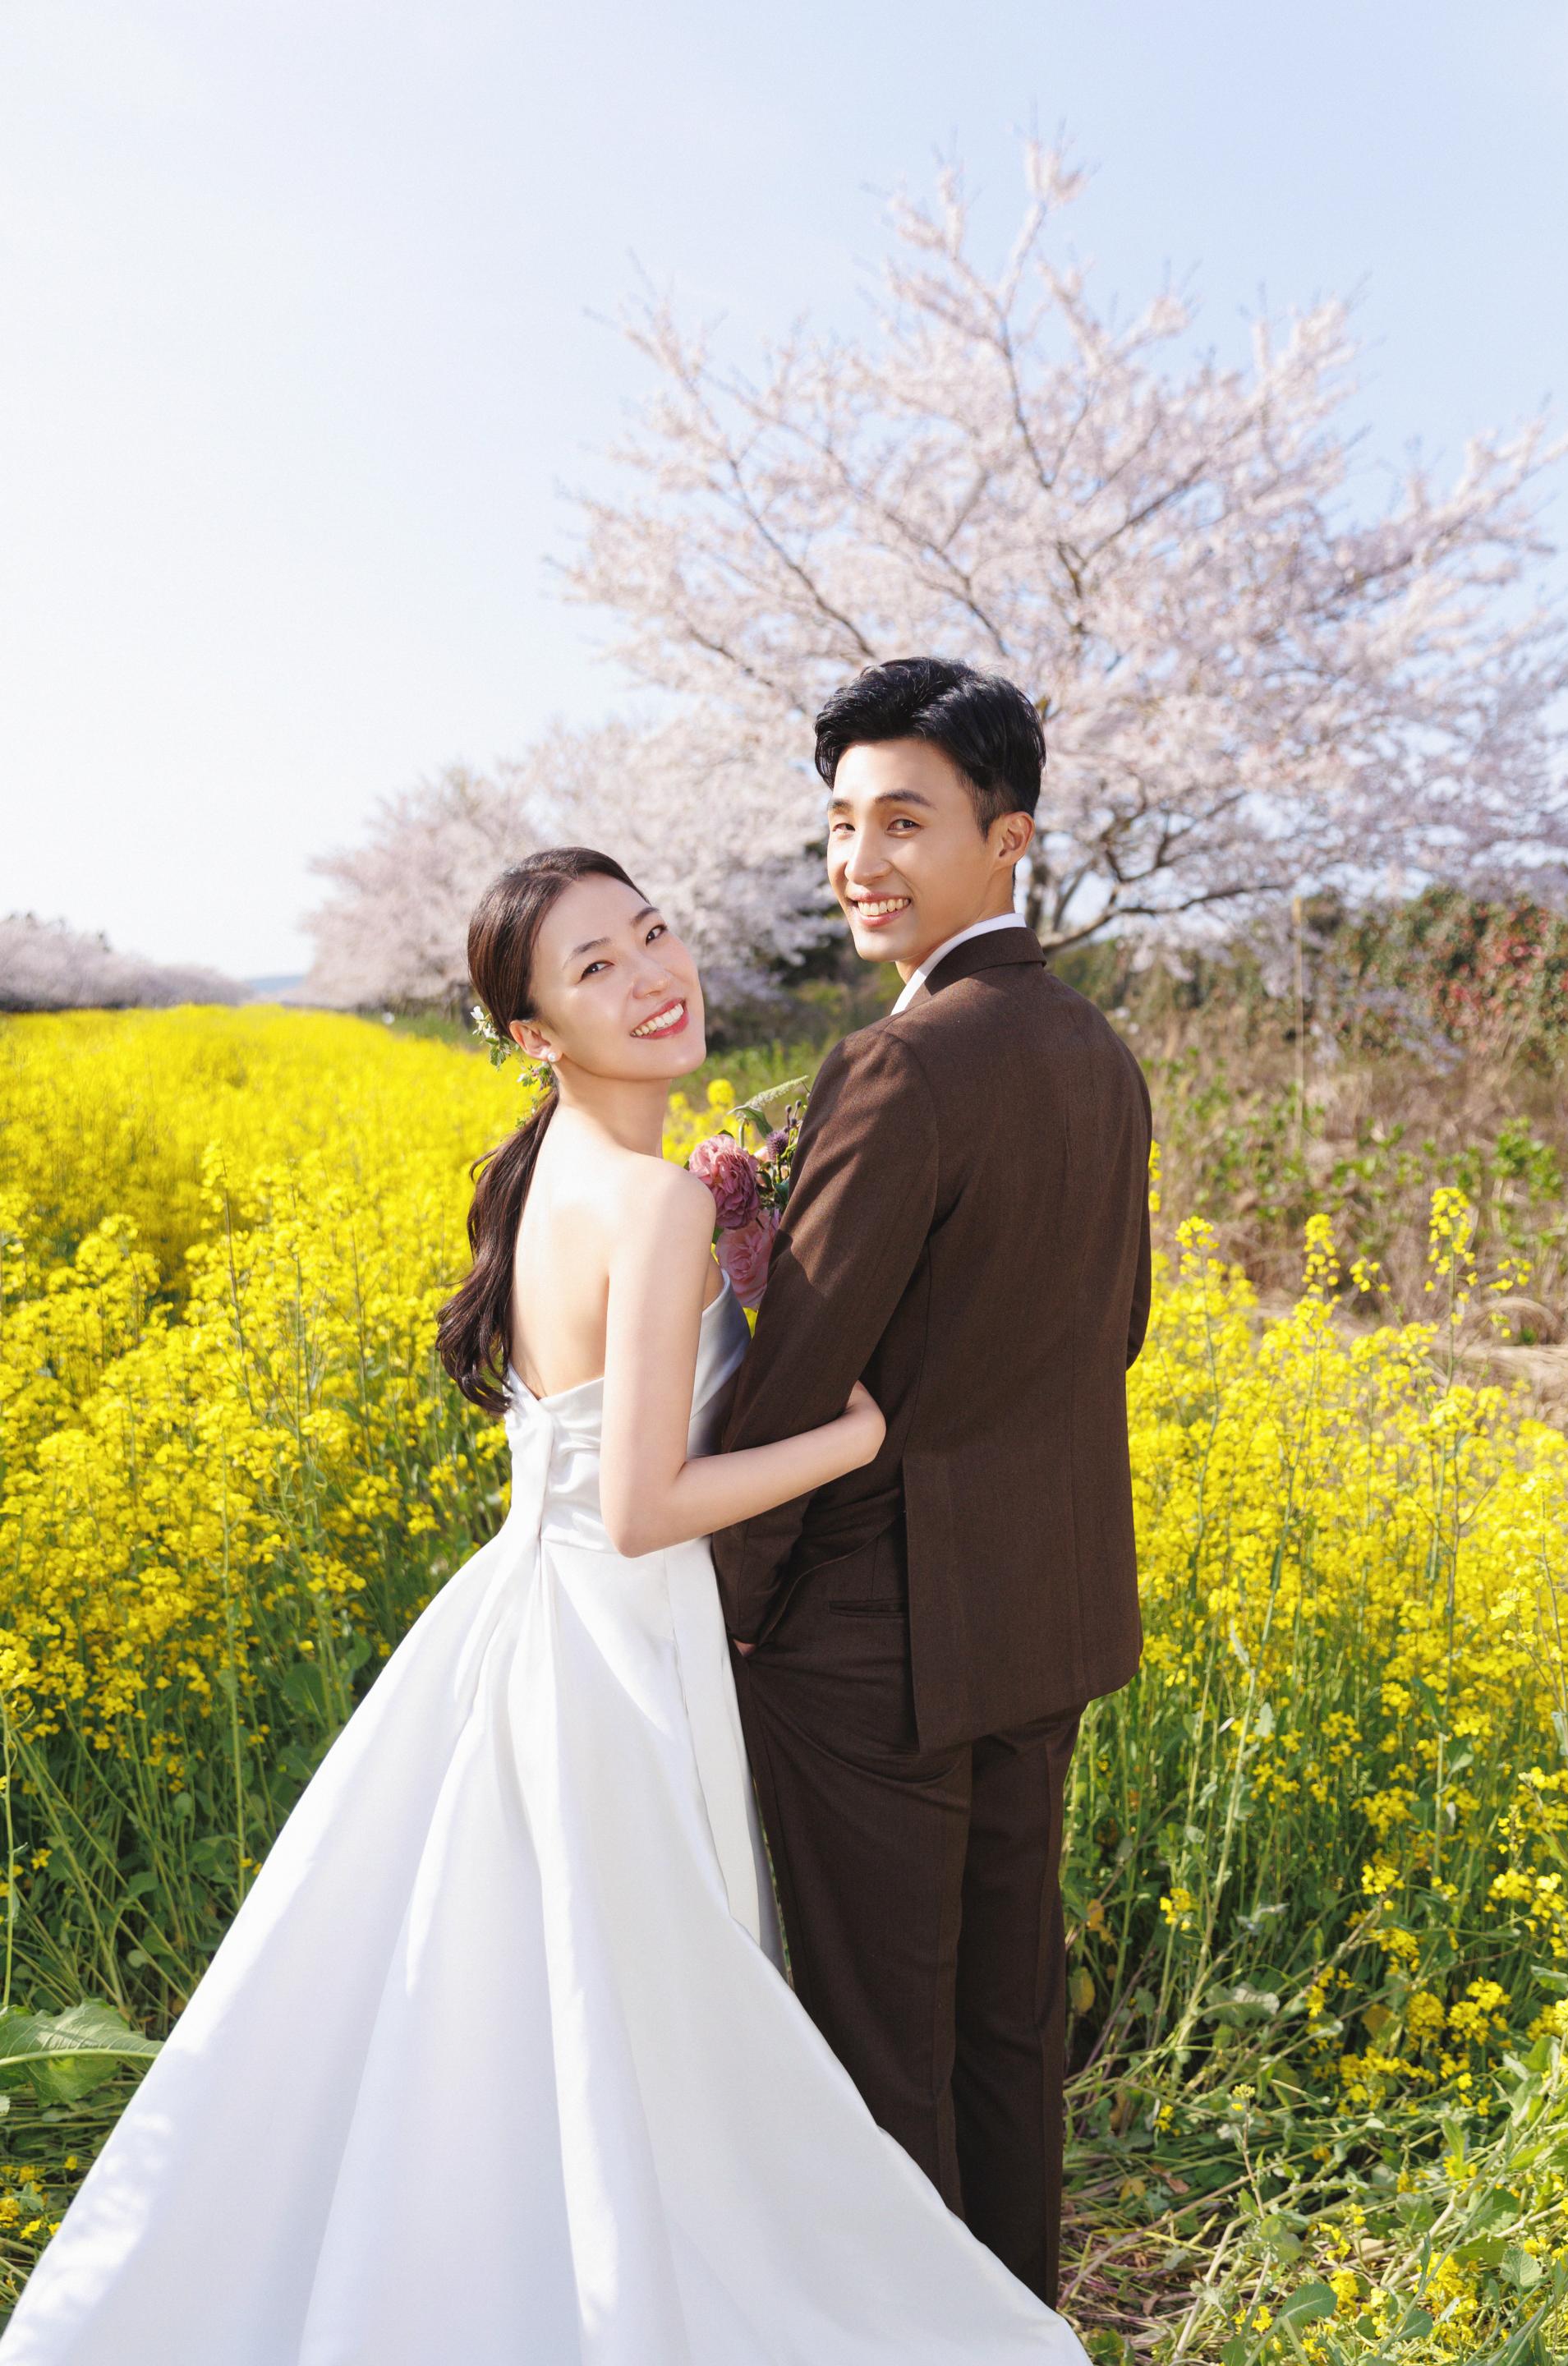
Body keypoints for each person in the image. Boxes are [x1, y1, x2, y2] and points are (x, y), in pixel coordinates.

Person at [0, 845, 1090, 2364]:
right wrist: (851, 1436)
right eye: (596, 969)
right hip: (621, 1642)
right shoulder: (649, 1202)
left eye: (654, 933)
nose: (654, 977)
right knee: (639, 2016)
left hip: (535, 1619)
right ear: (532, 1034)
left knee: (528, 2005)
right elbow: (642, 1507)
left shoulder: (557, 1179)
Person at [715, 657, 1152, 2307]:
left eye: (904, 822)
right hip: (1041, 1620)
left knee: (877, 2053)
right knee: (1002, 2029)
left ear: (1007, 839)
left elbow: (797, 1381)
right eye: (841, 825)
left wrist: (728, 1609)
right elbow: (1115, 1328)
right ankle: (1015, 2325)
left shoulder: (901, 1066)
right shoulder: (1097, 1051)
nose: (860, 861)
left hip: (871, 1650)